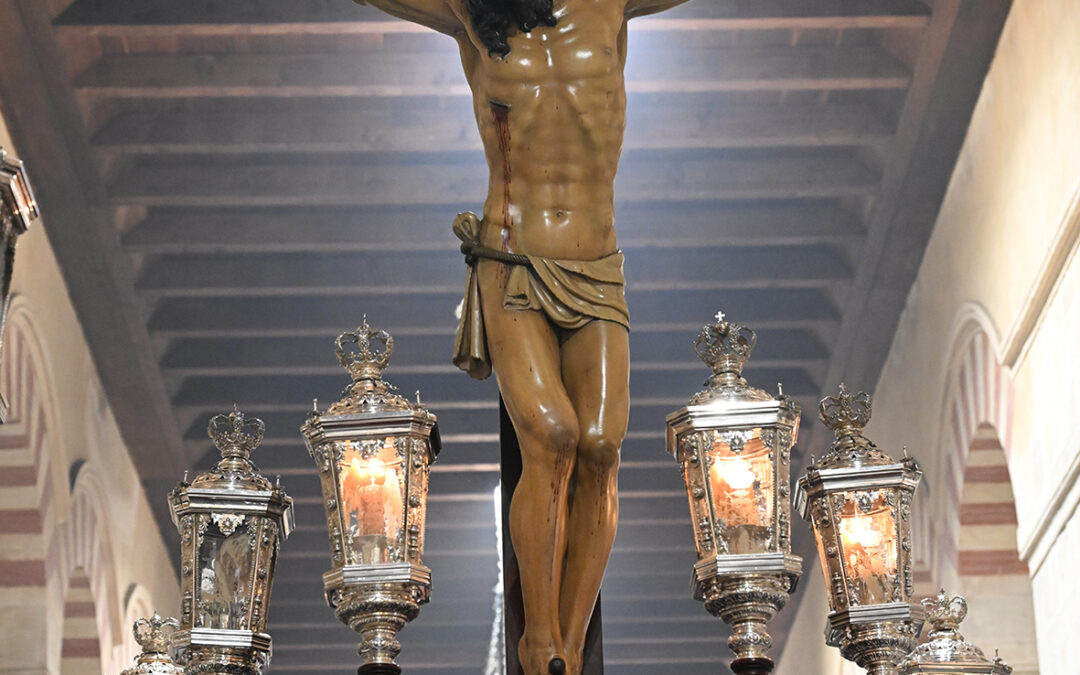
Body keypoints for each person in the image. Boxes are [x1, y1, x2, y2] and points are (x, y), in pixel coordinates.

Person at [352, 1, 690, 673]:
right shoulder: (472, 10)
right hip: (511, 259)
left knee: (601, 447)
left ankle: (569, 643)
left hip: (598, 263)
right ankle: (538, 639)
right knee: (554, 435)